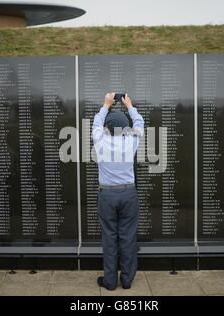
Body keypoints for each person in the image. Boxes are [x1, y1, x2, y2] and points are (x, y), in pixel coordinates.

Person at [92, 92, 144, 290]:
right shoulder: (132, 140)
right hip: (128, 194)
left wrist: (106, 104)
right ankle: (127, 280)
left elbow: (97, 123)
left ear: (107, 128)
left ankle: (110, 281)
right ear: (125, 128)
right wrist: (129, 105)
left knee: (109, 237)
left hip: (107, 195)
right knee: (128, 237)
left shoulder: (100, 139)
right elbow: (139, 123)